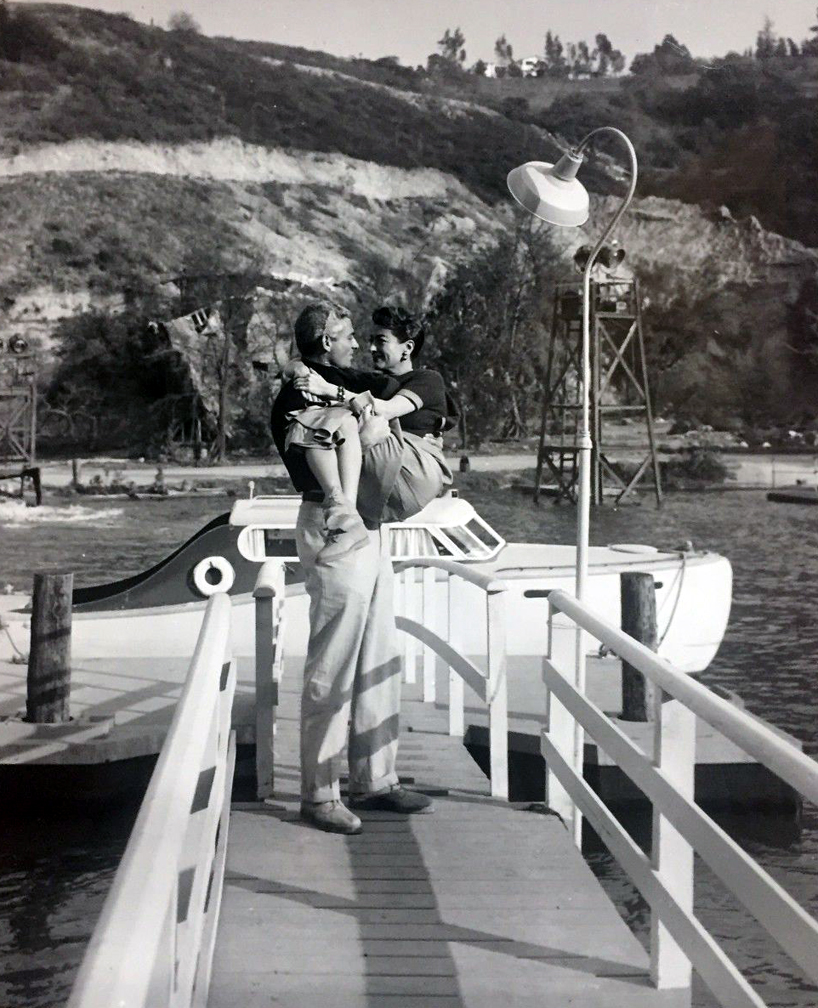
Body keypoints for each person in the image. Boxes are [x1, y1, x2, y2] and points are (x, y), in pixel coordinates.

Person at [270, 301, 434, 834]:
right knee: (334, 660)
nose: (357, 345)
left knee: (375, 651)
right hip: (333, 524)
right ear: (323, 343)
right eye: (346, 337)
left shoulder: (332, 380)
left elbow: (422, 388)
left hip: (367, 528)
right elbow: (326, 436)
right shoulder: (300, 394)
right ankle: (318, 795)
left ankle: (375, 779)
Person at [284, 305, 454, 539]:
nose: (371, 348)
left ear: (408, 348)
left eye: (381, 341)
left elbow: (386, 409)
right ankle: (349, 514)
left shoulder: (427, 379)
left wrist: (328, 390)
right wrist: (296, 367)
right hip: (386, 478)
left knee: (322, 421)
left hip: (414, 472)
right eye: (371, 340)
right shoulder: (373, 382)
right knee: (377, 561)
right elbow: (315, 367)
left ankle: (344, 511)